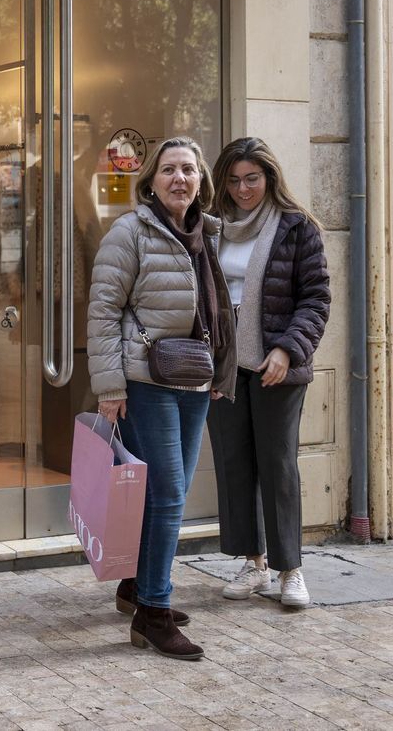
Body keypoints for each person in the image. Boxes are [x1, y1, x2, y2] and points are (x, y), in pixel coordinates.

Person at [88, 137, 232, 661]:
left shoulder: (205, 233)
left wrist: (222, 368)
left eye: (188, 170)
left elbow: (217, 313)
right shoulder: (130, 232)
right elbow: (103, 310)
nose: (179, 179)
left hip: (194, 378)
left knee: (166, 494)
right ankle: (153, 610)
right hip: (146, 382)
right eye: (169, 170)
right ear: (150, 180)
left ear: (200, 181)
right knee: (169, 496)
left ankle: (133, 585)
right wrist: (109, 387)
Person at [206, 137, 331, 609]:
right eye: (234, 180)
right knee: (233, 463)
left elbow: (316, 298)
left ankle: (290, 569)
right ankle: (253, 562)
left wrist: (286, 350)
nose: (243, 189)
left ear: (270, 178)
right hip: (224, 366)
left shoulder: (297, 228)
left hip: (276, 364)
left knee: (277, 464)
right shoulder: (211, 228)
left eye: (252, 179)